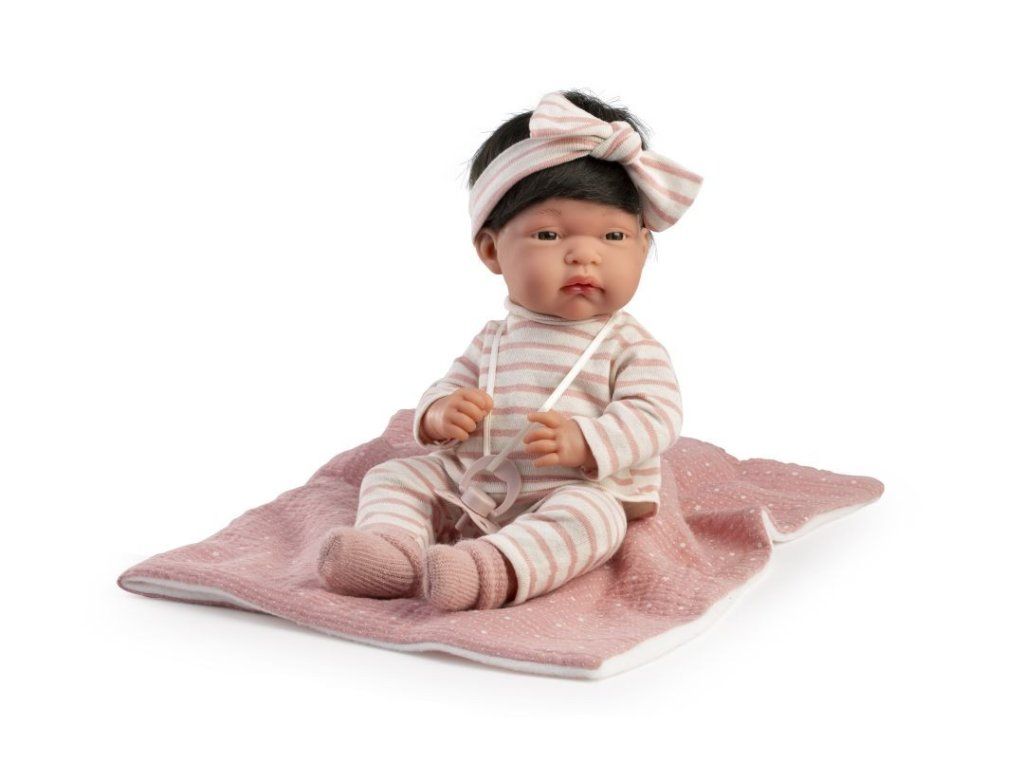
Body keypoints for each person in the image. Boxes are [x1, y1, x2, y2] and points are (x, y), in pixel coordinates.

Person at [317, 89, 702, 611]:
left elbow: (656, 414)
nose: (584, 255)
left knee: (597, 520)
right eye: (549, 234)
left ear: (643, 246)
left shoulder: (627, 345)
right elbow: (451, 382)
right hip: (476, 478)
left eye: (613, 236)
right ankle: (392, 553)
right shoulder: (494, 339)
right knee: (394, 475)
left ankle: (488, 570)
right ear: (491, 250)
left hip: (571, 488)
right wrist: (440, 412)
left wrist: (587, 441)